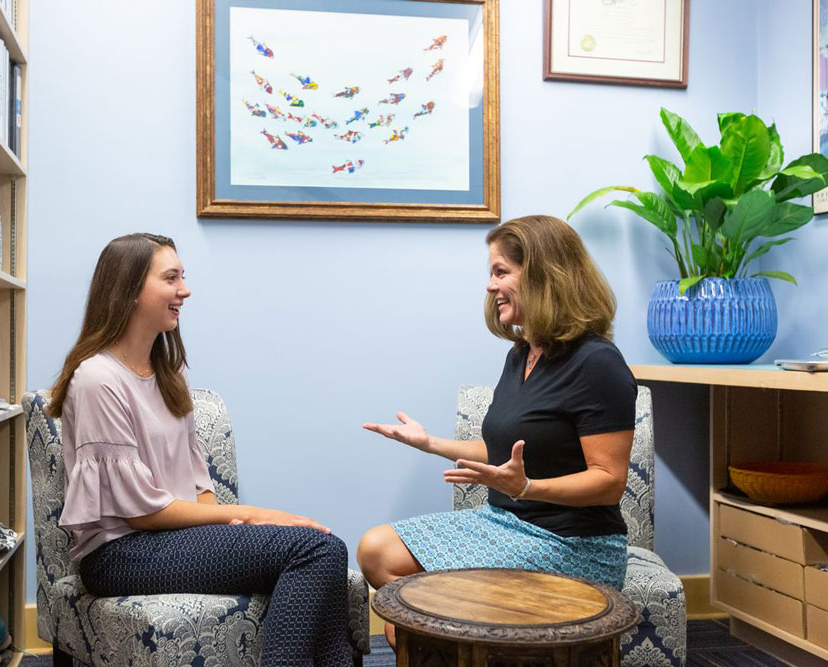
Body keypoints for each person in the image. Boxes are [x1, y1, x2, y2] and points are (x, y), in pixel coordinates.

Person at [47, 233, 352, 666]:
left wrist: (232, 525)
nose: (184, 291)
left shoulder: (168, 375)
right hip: (121, 554)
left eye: (183, 278)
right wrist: (256, 515)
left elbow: (196, 484)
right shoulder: (98, 380)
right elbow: (140, 512)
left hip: (171, 540)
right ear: (131, 290)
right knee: (313, 548)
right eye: (171, 278)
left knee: (327, 547)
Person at [358, 215, 636, 646]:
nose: (490, 286)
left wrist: (527, 488)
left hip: (574, 544)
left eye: (501, 272)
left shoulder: (597, 363)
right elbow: (504, 452)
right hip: (503, 521)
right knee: (376, 551)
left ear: (545, 275)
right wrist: (429, 443)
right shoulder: (523, 354)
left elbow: (609, 482)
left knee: (412, 620)